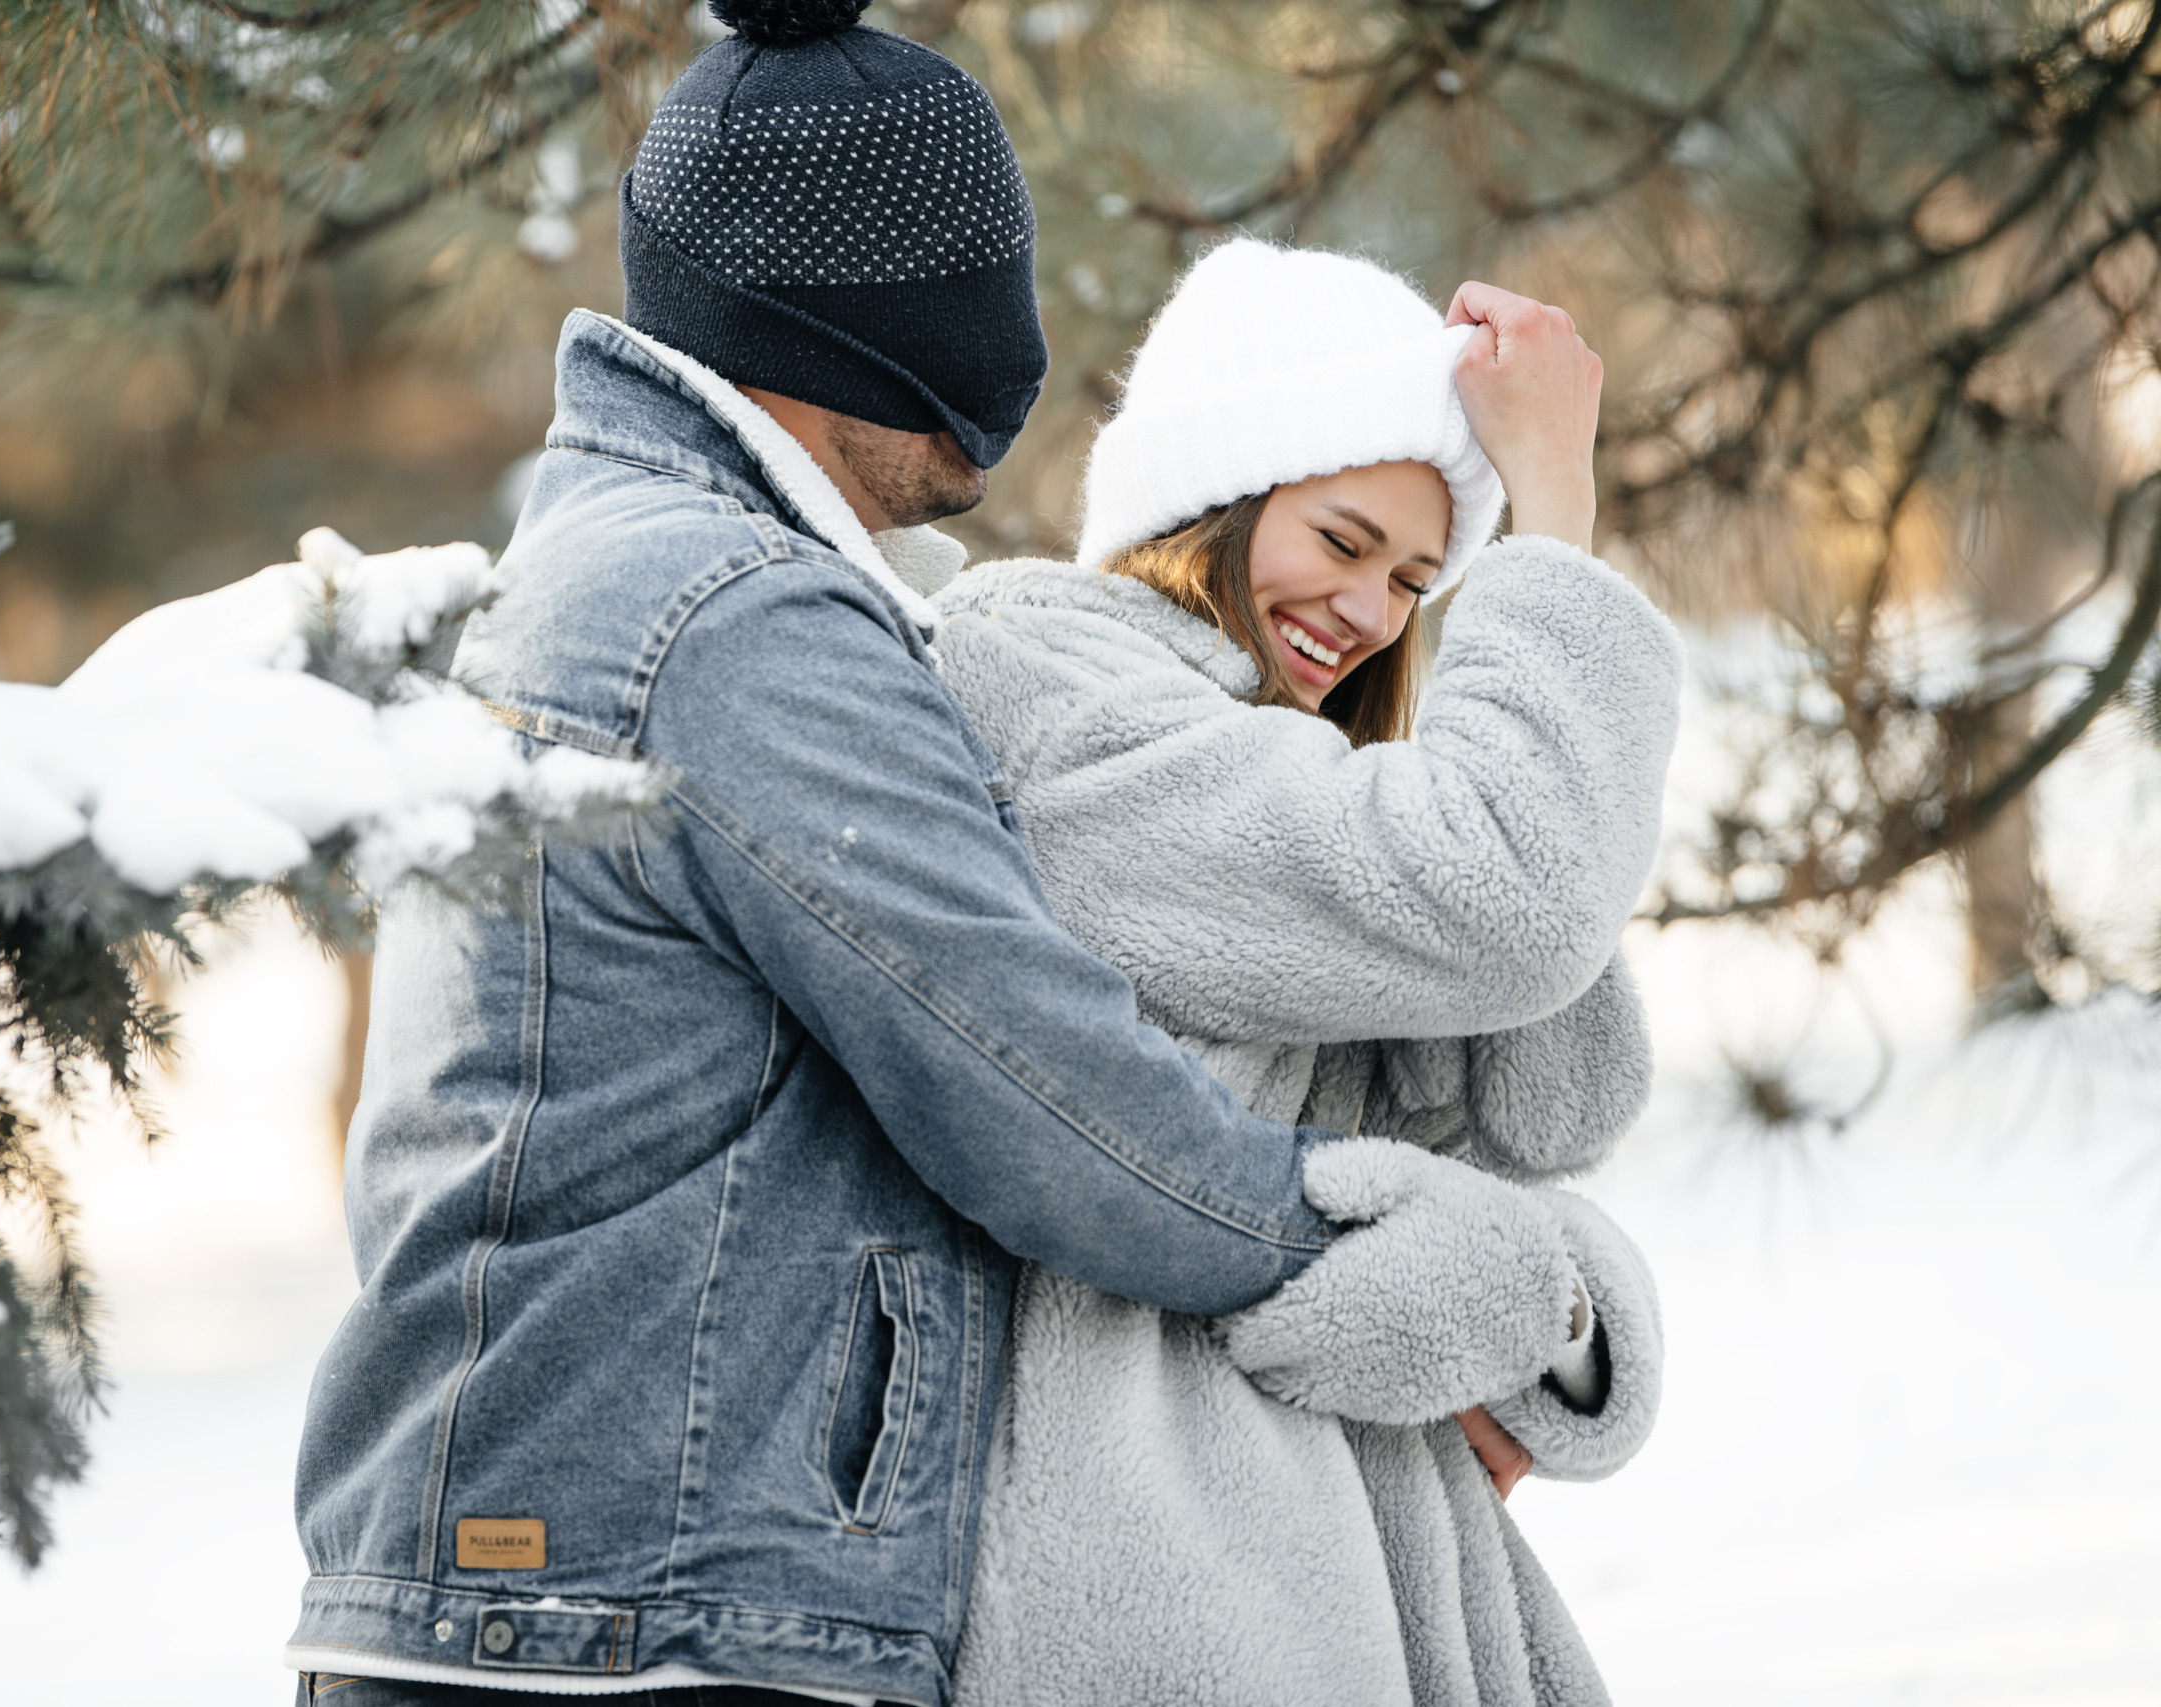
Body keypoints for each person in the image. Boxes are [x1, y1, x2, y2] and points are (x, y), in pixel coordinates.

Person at [284, 6, 1630, 1704]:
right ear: (848, 315)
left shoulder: (646, 571)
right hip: (615, 1619)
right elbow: (1035, 1090)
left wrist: (1526, 1295)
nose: (1001, 421)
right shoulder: (739, 623)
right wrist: (1398, 1278)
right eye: (974, 315)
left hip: (575, 1595)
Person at [929, 240, 1682, 1706]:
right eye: (1340, 543)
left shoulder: (1298, 770)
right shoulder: (1056, 700)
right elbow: (1522, 905)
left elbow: (1560, 1098)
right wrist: (1557, 514)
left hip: (1344, 1550)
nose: (1374, 613)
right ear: (1206, 502)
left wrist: (1553, 1308)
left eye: (1417, 577)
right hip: (1162, 1578)